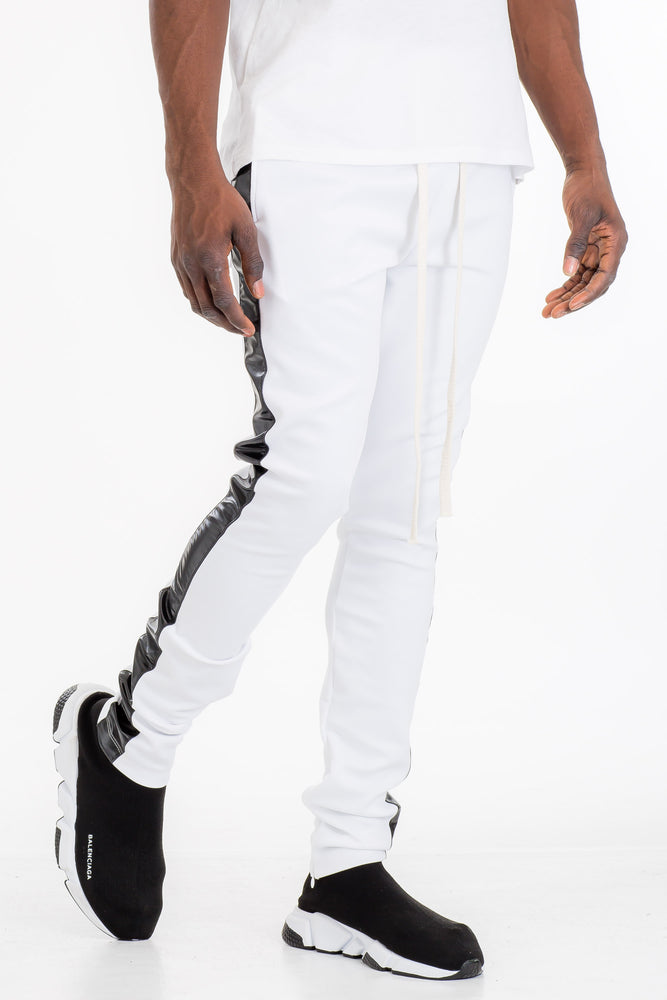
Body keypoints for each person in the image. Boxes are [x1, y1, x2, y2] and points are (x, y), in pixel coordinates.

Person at [52, 0, 628, 980]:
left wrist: (584, 159)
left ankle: (347, 866)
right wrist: (191, 170)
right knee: (302, 472)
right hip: (308, 136)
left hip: (470, 154)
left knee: (403, 511)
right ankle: (131, 739)